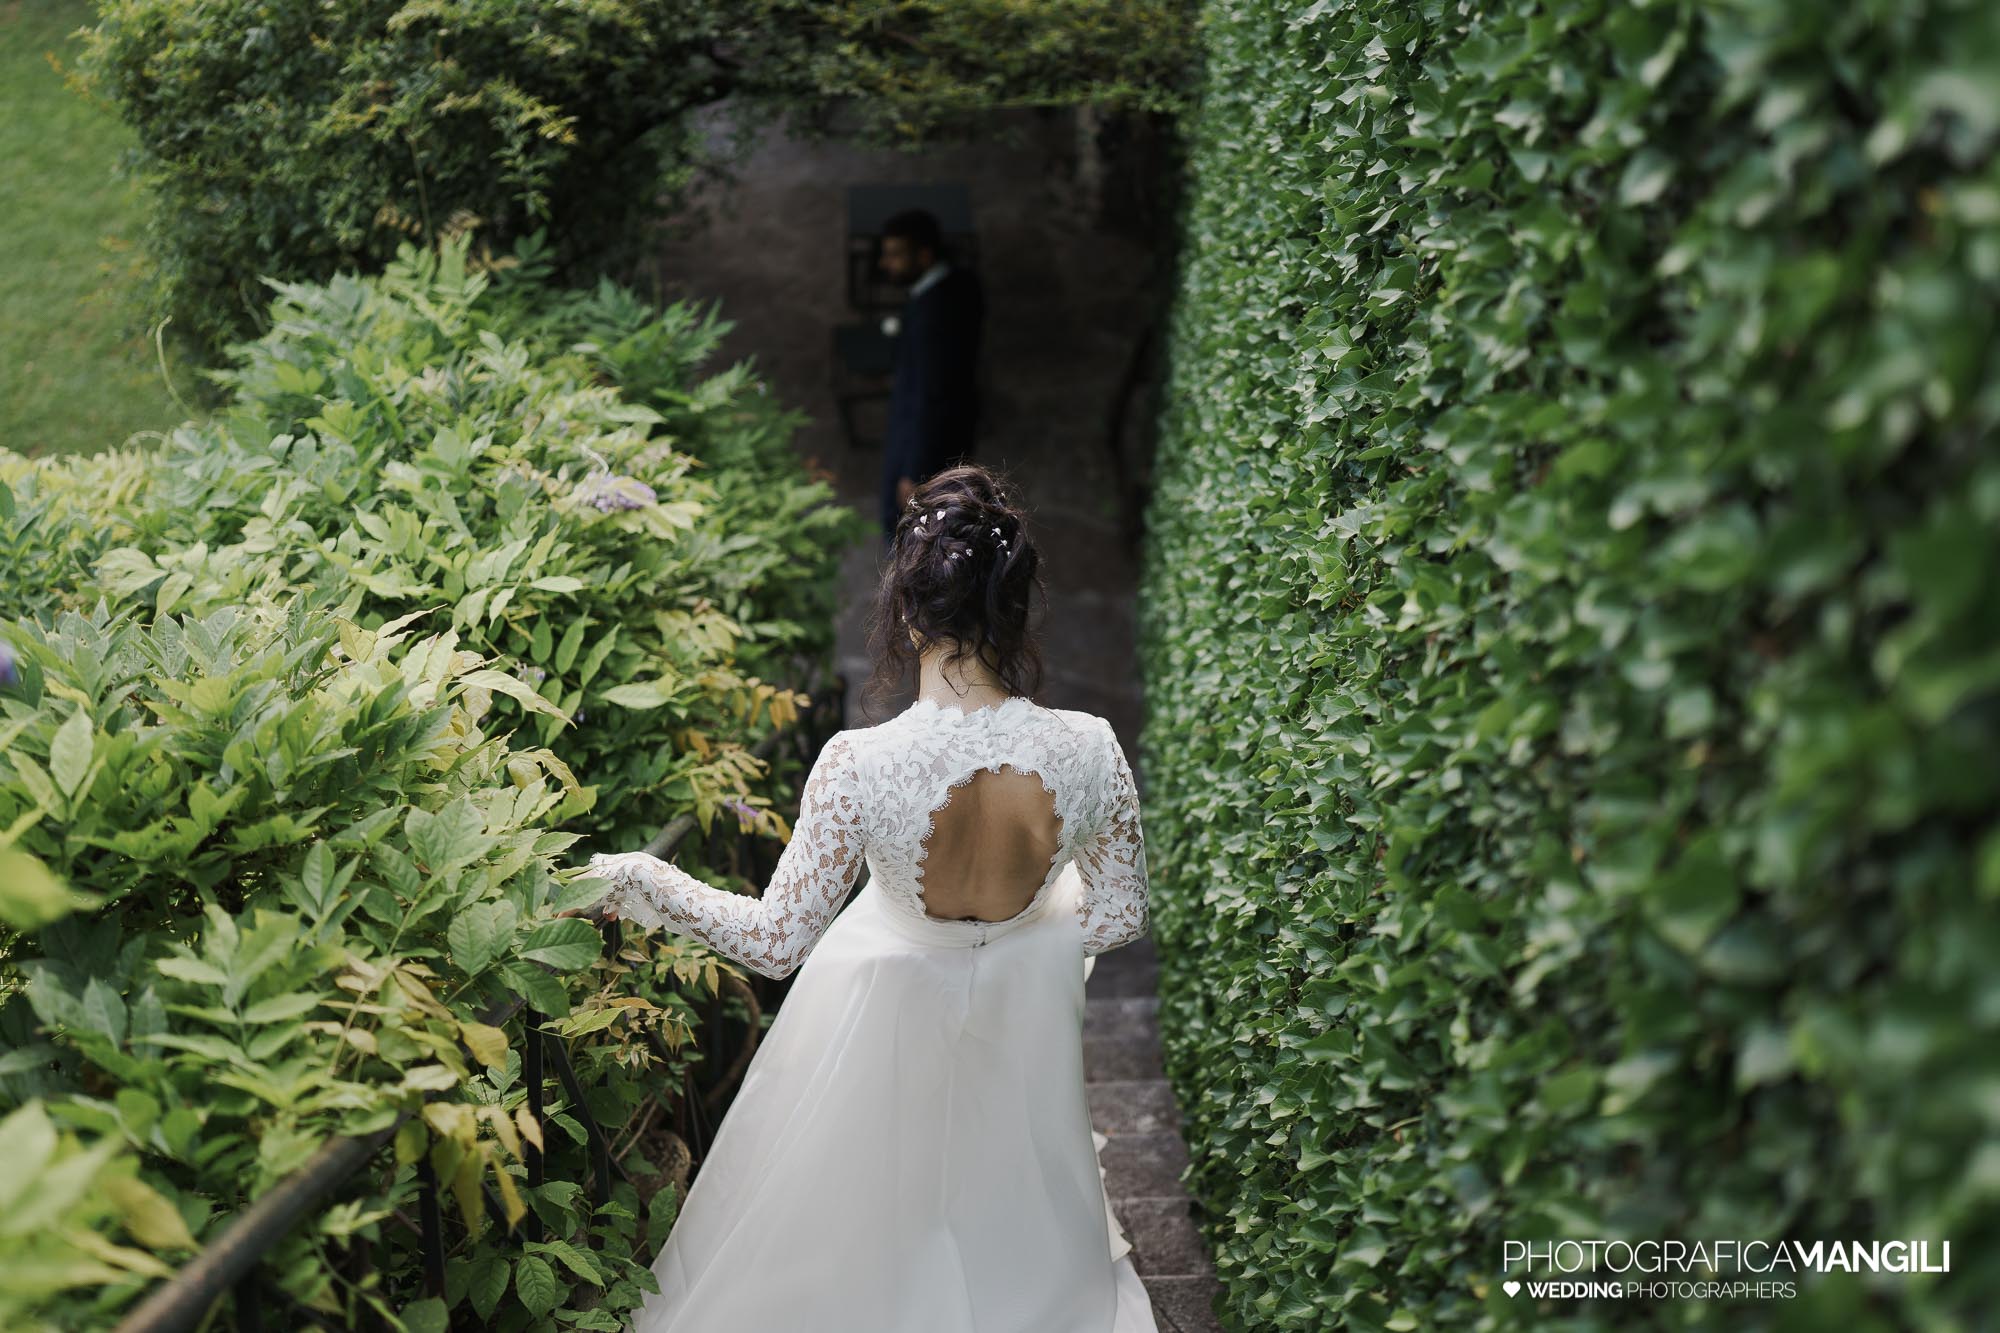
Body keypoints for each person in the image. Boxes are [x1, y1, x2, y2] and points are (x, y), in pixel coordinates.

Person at [572, 464, 1157, 1332]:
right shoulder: (1091, 749)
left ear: (909, 610)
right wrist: (1031, 915)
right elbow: (1118, 916)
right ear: (1016, 606)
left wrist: (642, 877)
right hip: (1014, 1041)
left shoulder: (857, 764)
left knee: (877, 1225)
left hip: (881, 1026)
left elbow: (775, 941)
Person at [875, 209, 986, 544]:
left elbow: (932, 395)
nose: (885, 264)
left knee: (911, 534)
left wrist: (914, 471)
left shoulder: (933, 314)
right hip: (942, 432)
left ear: (924, 255)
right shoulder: (957, 286)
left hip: (923, 444)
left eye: (895, 255)